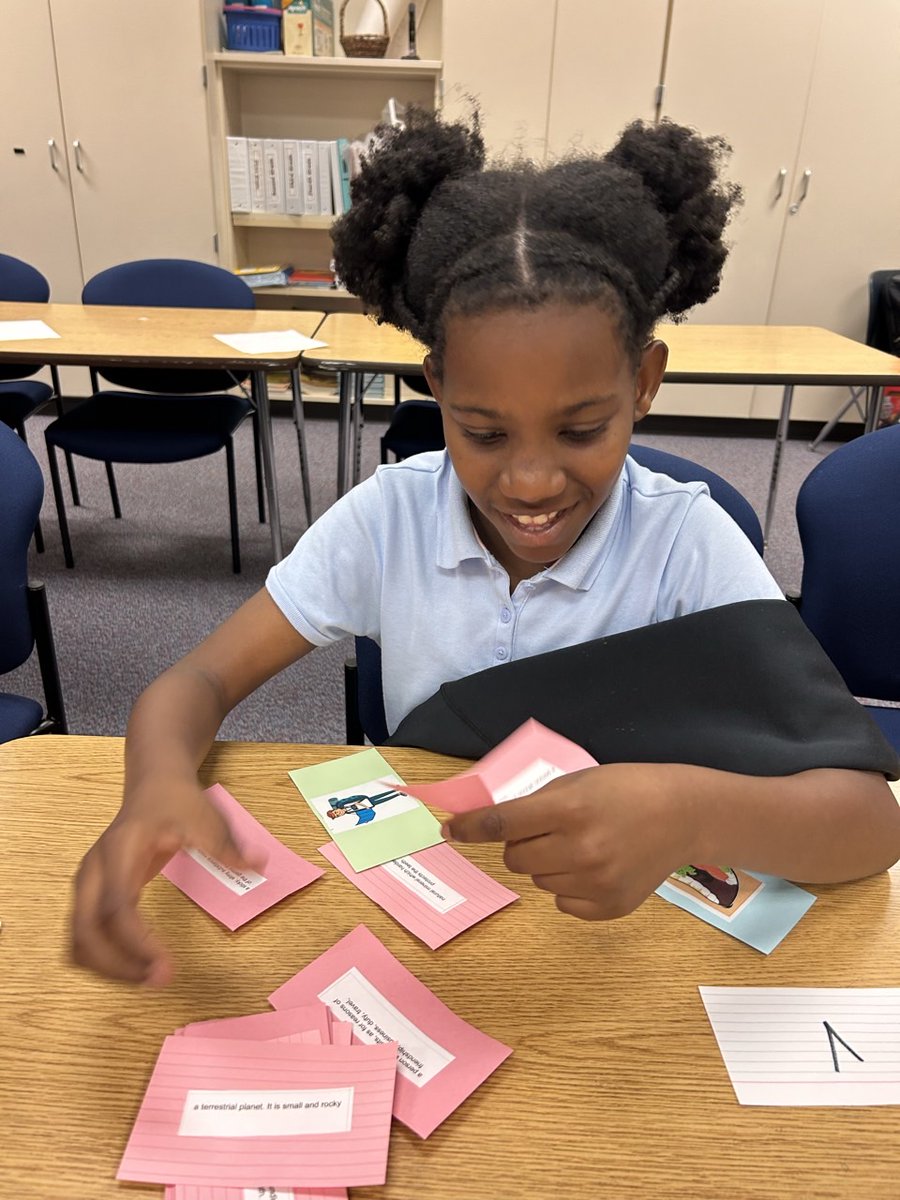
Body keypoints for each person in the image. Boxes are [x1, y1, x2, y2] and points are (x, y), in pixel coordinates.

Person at [70, 109, 900, 986]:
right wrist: (155, 786)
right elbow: (196, 681)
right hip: (438, 943)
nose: (532, 483)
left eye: (581, 429)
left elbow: (870, 825)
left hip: (614, 961)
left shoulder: (686, 543)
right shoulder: (389, 517)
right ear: (437, 389)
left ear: (645, 385)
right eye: (483, 433)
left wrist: (689, 809)